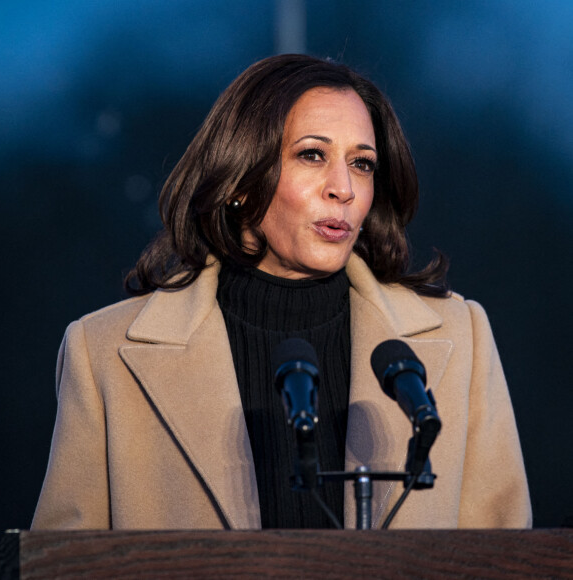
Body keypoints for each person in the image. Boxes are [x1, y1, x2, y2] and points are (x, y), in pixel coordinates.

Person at [32, 54, 532, 530]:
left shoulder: (461, 336)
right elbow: (58, 564)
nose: (344, 188)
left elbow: (507, 554)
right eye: (312, 155)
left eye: (362, 164)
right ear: (240, 181)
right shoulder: (102, 353)